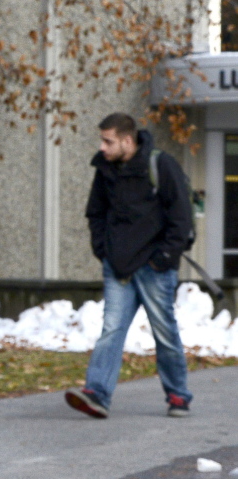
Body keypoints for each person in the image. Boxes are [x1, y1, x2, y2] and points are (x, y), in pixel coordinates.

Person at [65, 113, 194, 420]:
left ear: (127, 140)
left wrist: (163, 258)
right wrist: (103, 251)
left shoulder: (160, 165)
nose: (102, 147)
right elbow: (95, 213)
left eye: (108, 141)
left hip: (155, 268)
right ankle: (97, 393)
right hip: (118, 267)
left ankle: (178, 395)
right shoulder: (105, 170)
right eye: (102, 140)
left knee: (164, 332)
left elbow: (181, 217)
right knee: (111, 330)